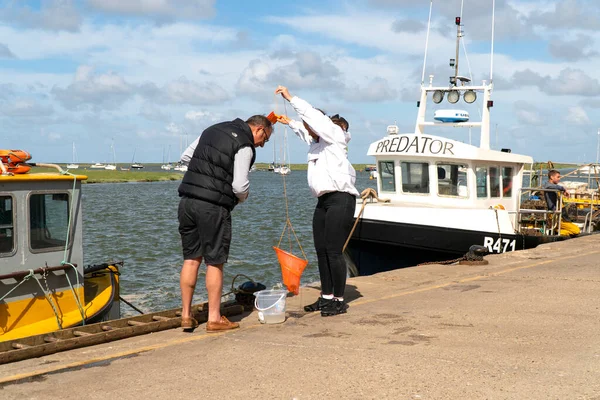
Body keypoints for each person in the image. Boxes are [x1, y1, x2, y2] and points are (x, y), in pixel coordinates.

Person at [178, 115, 273, 332]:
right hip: (213, 206)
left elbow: (185, 157)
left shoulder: (211, 129)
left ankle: (185, 315)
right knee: (215, 261)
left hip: (187, 201)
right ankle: (214, 318)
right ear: (259, 129)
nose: (262, 144)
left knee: (191, 259)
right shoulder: (245, 144)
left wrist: (204, 174)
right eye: (264, 139)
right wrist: (243, 197)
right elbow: (239, 186)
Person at [274, 85, 359, 317]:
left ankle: (339, 301)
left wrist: (291, 98)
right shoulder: (318, 143)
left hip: (341, 199)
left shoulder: (335, 137)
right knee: (321, 251)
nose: (311, 130)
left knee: (333, 251)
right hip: (324, 201)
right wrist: (289, 122)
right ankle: (326, 297)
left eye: (315, 126)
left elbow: (313, 119)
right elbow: (305, 130)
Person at [543, 169, 579, 236]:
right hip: (555, 215)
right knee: (576, 230)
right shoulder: (548, 186)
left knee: (572, 227)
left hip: (561, 215)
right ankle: (558, 232)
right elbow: (550, 186)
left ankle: (558, 231)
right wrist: (563, 188)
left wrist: (563, 192)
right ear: (551, 177)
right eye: (558, 177)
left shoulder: (554, 187)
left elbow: (555, 188)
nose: (559, 179)